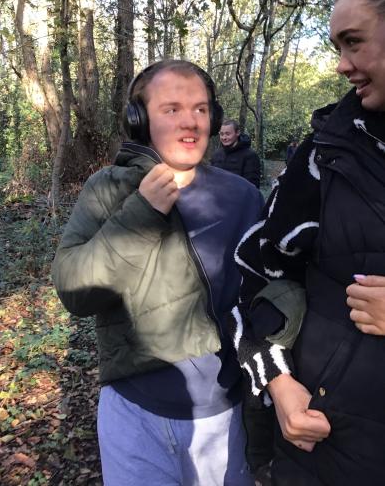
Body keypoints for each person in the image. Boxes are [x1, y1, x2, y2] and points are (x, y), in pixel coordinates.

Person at [52, 59, 264, 485]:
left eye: (201, 109)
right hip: (133, 414)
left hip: (224, 415)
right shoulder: (108, 189)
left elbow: (267, 295)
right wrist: (142, 213)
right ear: (139, 119)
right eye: (172, 109)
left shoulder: (242, 198)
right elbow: (74, 290)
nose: (190, 121)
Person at [232, 0, 385, 486]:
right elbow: (259, 275)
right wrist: (277, 384)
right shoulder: (324, 156)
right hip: (326, 452)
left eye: (354, 42)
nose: (342, 65)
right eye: (336, 47)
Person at [211, 120, 261, 187]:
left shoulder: (250, 156)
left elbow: (252, 187)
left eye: (228, 134)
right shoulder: (216, 155)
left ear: (237, 133)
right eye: (221, 134)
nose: (224, 137)